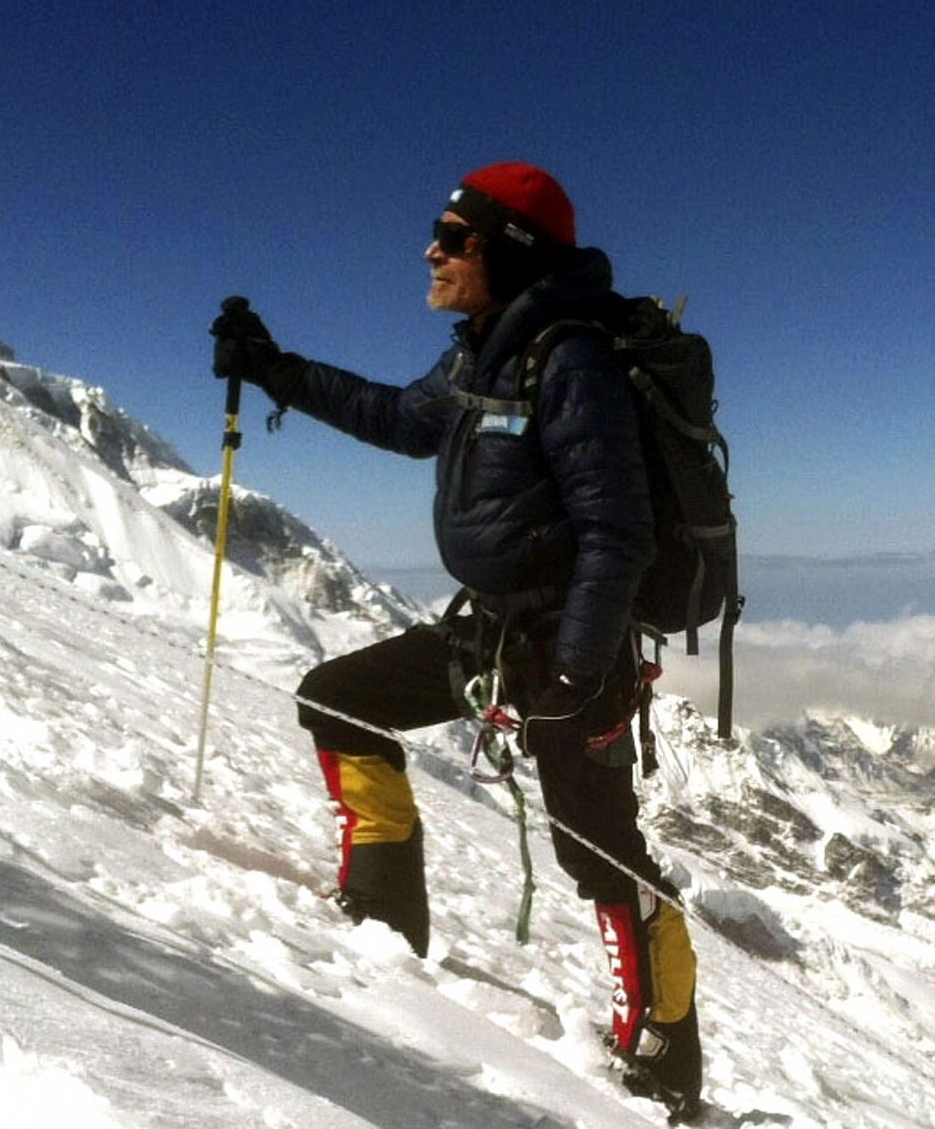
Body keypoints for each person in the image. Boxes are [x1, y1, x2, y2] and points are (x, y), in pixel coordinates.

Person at [210, 162, 703, 1121]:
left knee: (600, 852)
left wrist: (576, 666)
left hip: (570, 649)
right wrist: (274, 367)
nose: (431, 251)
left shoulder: (570, 361)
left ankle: (662, 1069)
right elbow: (398, 420)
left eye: (455, 236)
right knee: (339, 697)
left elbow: (618, 532)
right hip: (493, 631)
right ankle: (384, 922)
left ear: (509, 249)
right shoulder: (483, 355)